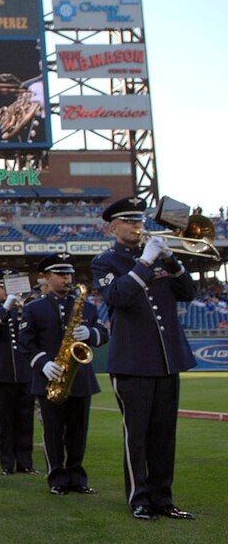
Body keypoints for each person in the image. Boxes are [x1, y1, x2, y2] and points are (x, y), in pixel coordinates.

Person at [92, 197, 198, 521]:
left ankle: (163, 498)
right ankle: (139, 498)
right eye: (130, 222)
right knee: (136, 434)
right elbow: (118, 296)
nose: (138, 227)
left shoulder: (159, 260)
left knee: (164, 434)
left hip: (167, 360)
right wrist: (145, 263)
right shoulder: (105, 262)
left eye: (139, 221)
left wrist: (173, 260)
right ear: (114, 227)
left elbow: (189, 293)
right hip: (132, 362)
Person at [19, 253, 109, 497]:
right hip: (51, 377)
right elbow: (25, 343)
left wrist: (90, 333)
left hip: (80, 379)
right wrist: (44, 363)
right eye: (60, 274)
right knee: (53, 432)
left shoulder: (88, 307)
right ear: (47, 278)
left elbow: (104, 334)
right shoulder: (34, 308)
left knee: (78, 432)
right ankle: (56, 477)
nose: (66, 278)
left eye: (69, 273)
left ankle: (77, 477)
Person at [0, 268, 37, 475]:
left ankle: (25, 462)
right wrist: (6, 307)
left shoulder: (26, 308)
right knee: (4, 422)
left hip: (24, 372)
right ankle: (7, 463)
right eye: (3, 286)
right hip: (0, 373)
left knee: (25, 420)